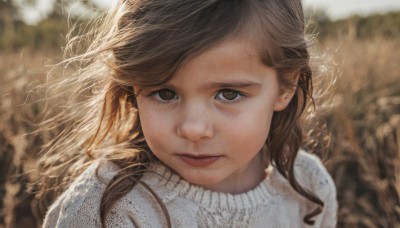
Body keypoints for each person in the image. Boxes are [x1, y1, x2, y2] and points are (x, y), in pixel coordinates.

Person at [40, 0, 337, 227]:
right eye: (165, 93)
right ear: (131, 88)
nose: (193, 129)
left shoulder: (309, 187)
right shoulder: (108, 208)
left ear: (285, 86)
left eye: (229, 94)